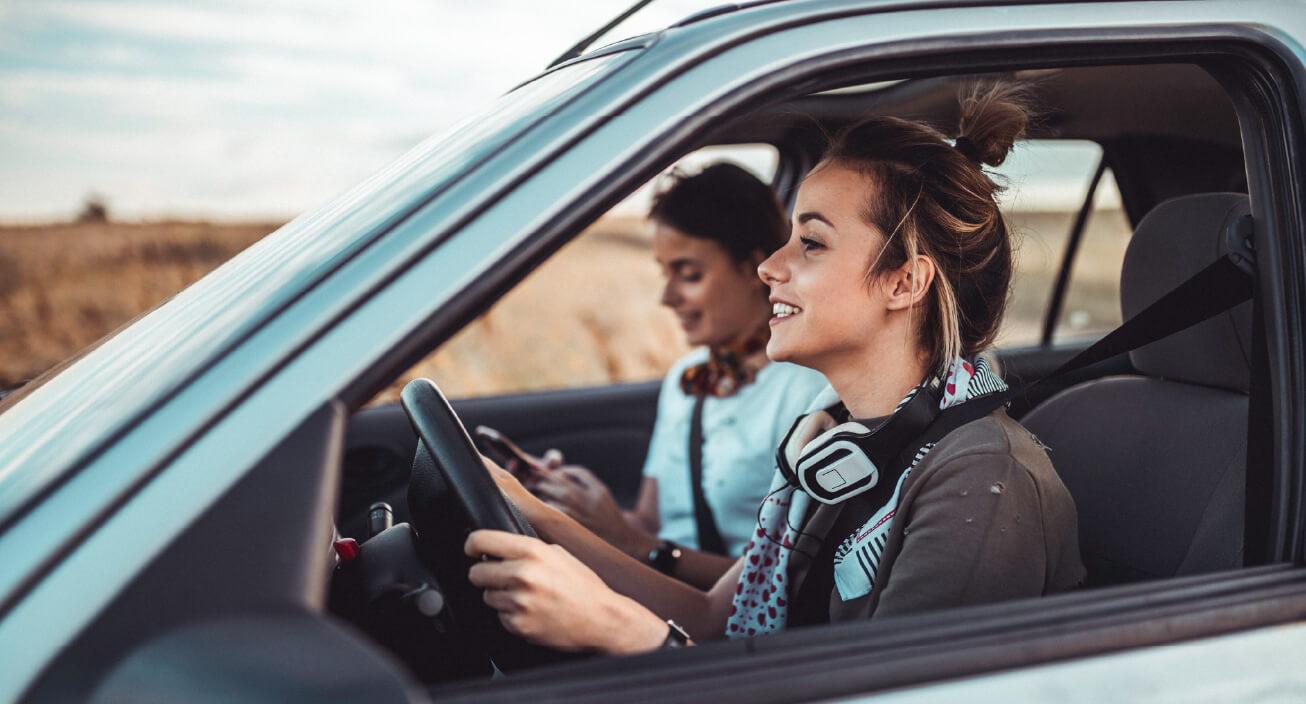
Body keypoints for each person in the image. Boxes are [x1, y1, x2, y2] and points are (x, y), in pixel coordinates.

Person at [464, 84, 1085, 653]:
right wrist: (533, 511)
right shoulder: (835, 442)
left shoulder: (981, 478)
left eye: (810, 243)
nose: (770, 267)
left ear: (905, 281)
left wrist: (619, 629)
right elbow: (711, 621)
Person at [526, 163, 829, 590]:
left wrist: (634, 543)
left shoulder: (810, 391)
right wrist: (576, 508)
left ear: (753, 267)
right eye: (664, 272)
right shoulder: (686, 378)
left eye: (689, 274)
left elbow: (785, 578)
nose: (667, 298)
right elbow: (650, 521)